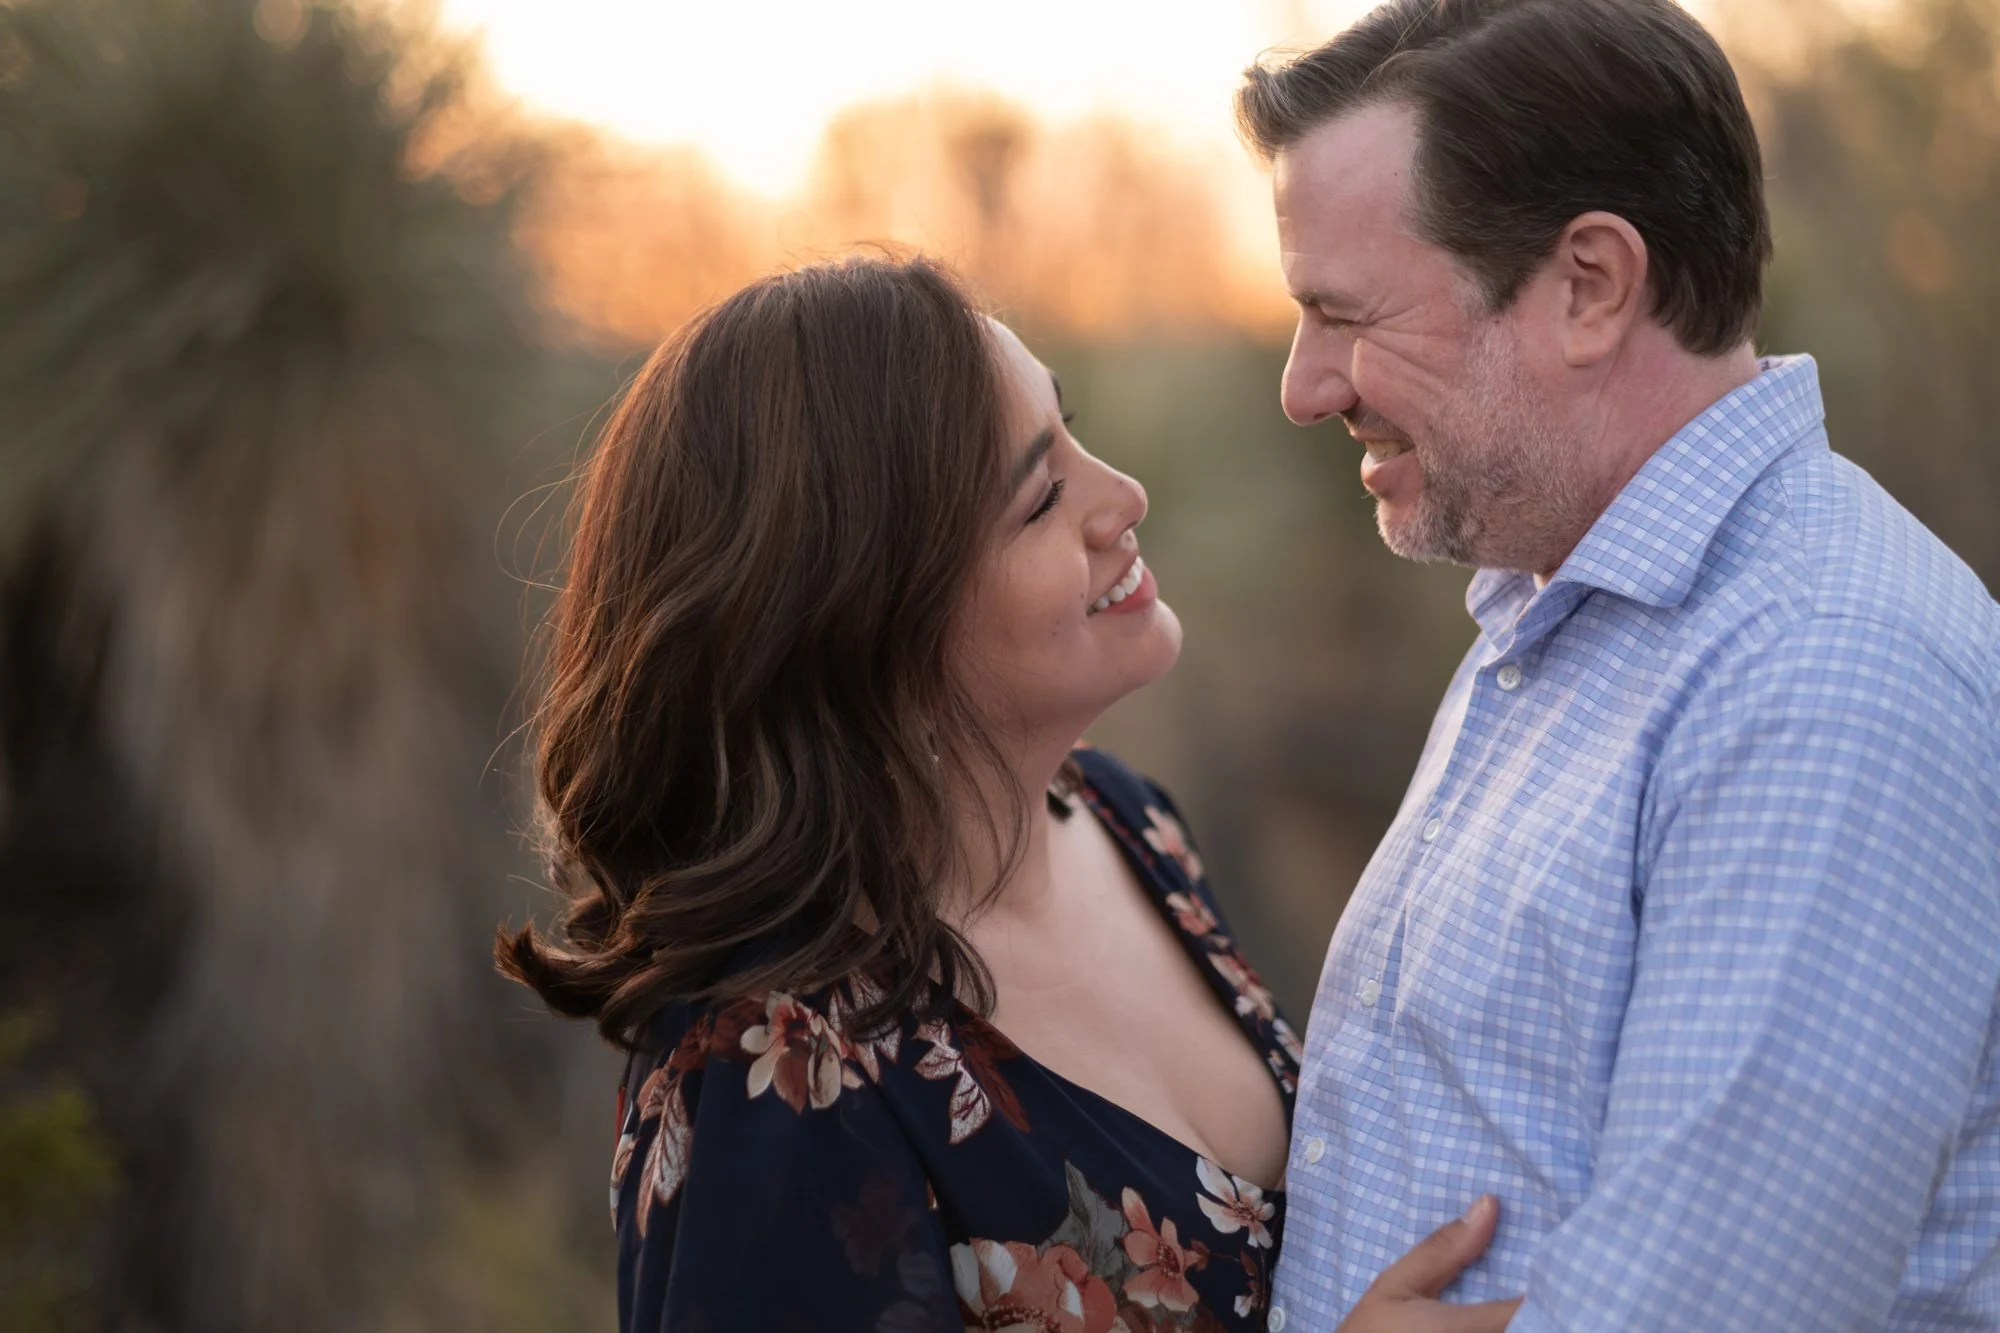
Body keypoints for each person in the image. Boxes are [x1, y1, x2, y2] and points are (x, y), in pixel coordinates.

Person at [494, 257, 1513, 1332]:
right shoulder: (773, 1071)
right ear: (869, 628)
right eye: (1039, 496)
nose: (1123, 497)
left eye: (1071, 431)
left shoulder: (1123, 820)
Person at [1237, 1, 2000, 1329]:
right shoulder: (1560, 613)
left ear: (1590, 283)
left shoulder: (1818, 674)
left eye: (1344, 314)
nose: (1307, 387)